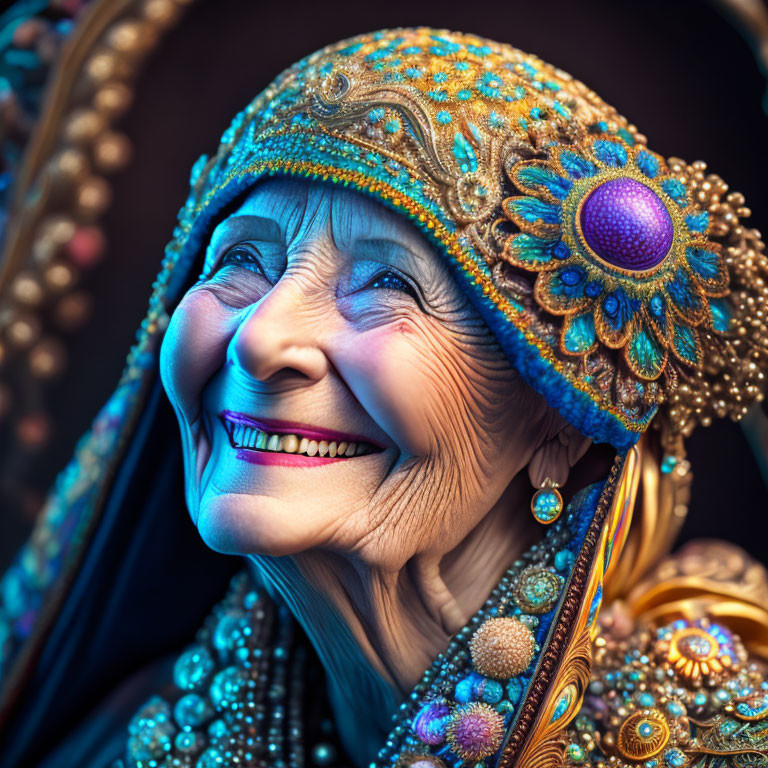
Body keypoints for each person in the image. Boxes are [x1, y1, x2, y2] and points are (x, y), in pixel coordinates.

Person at [1, 27, 768, 768]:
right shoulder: (120, 740)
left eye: (389, 284)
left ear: (558, 425)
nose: (259, 340)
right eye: (241, 259)